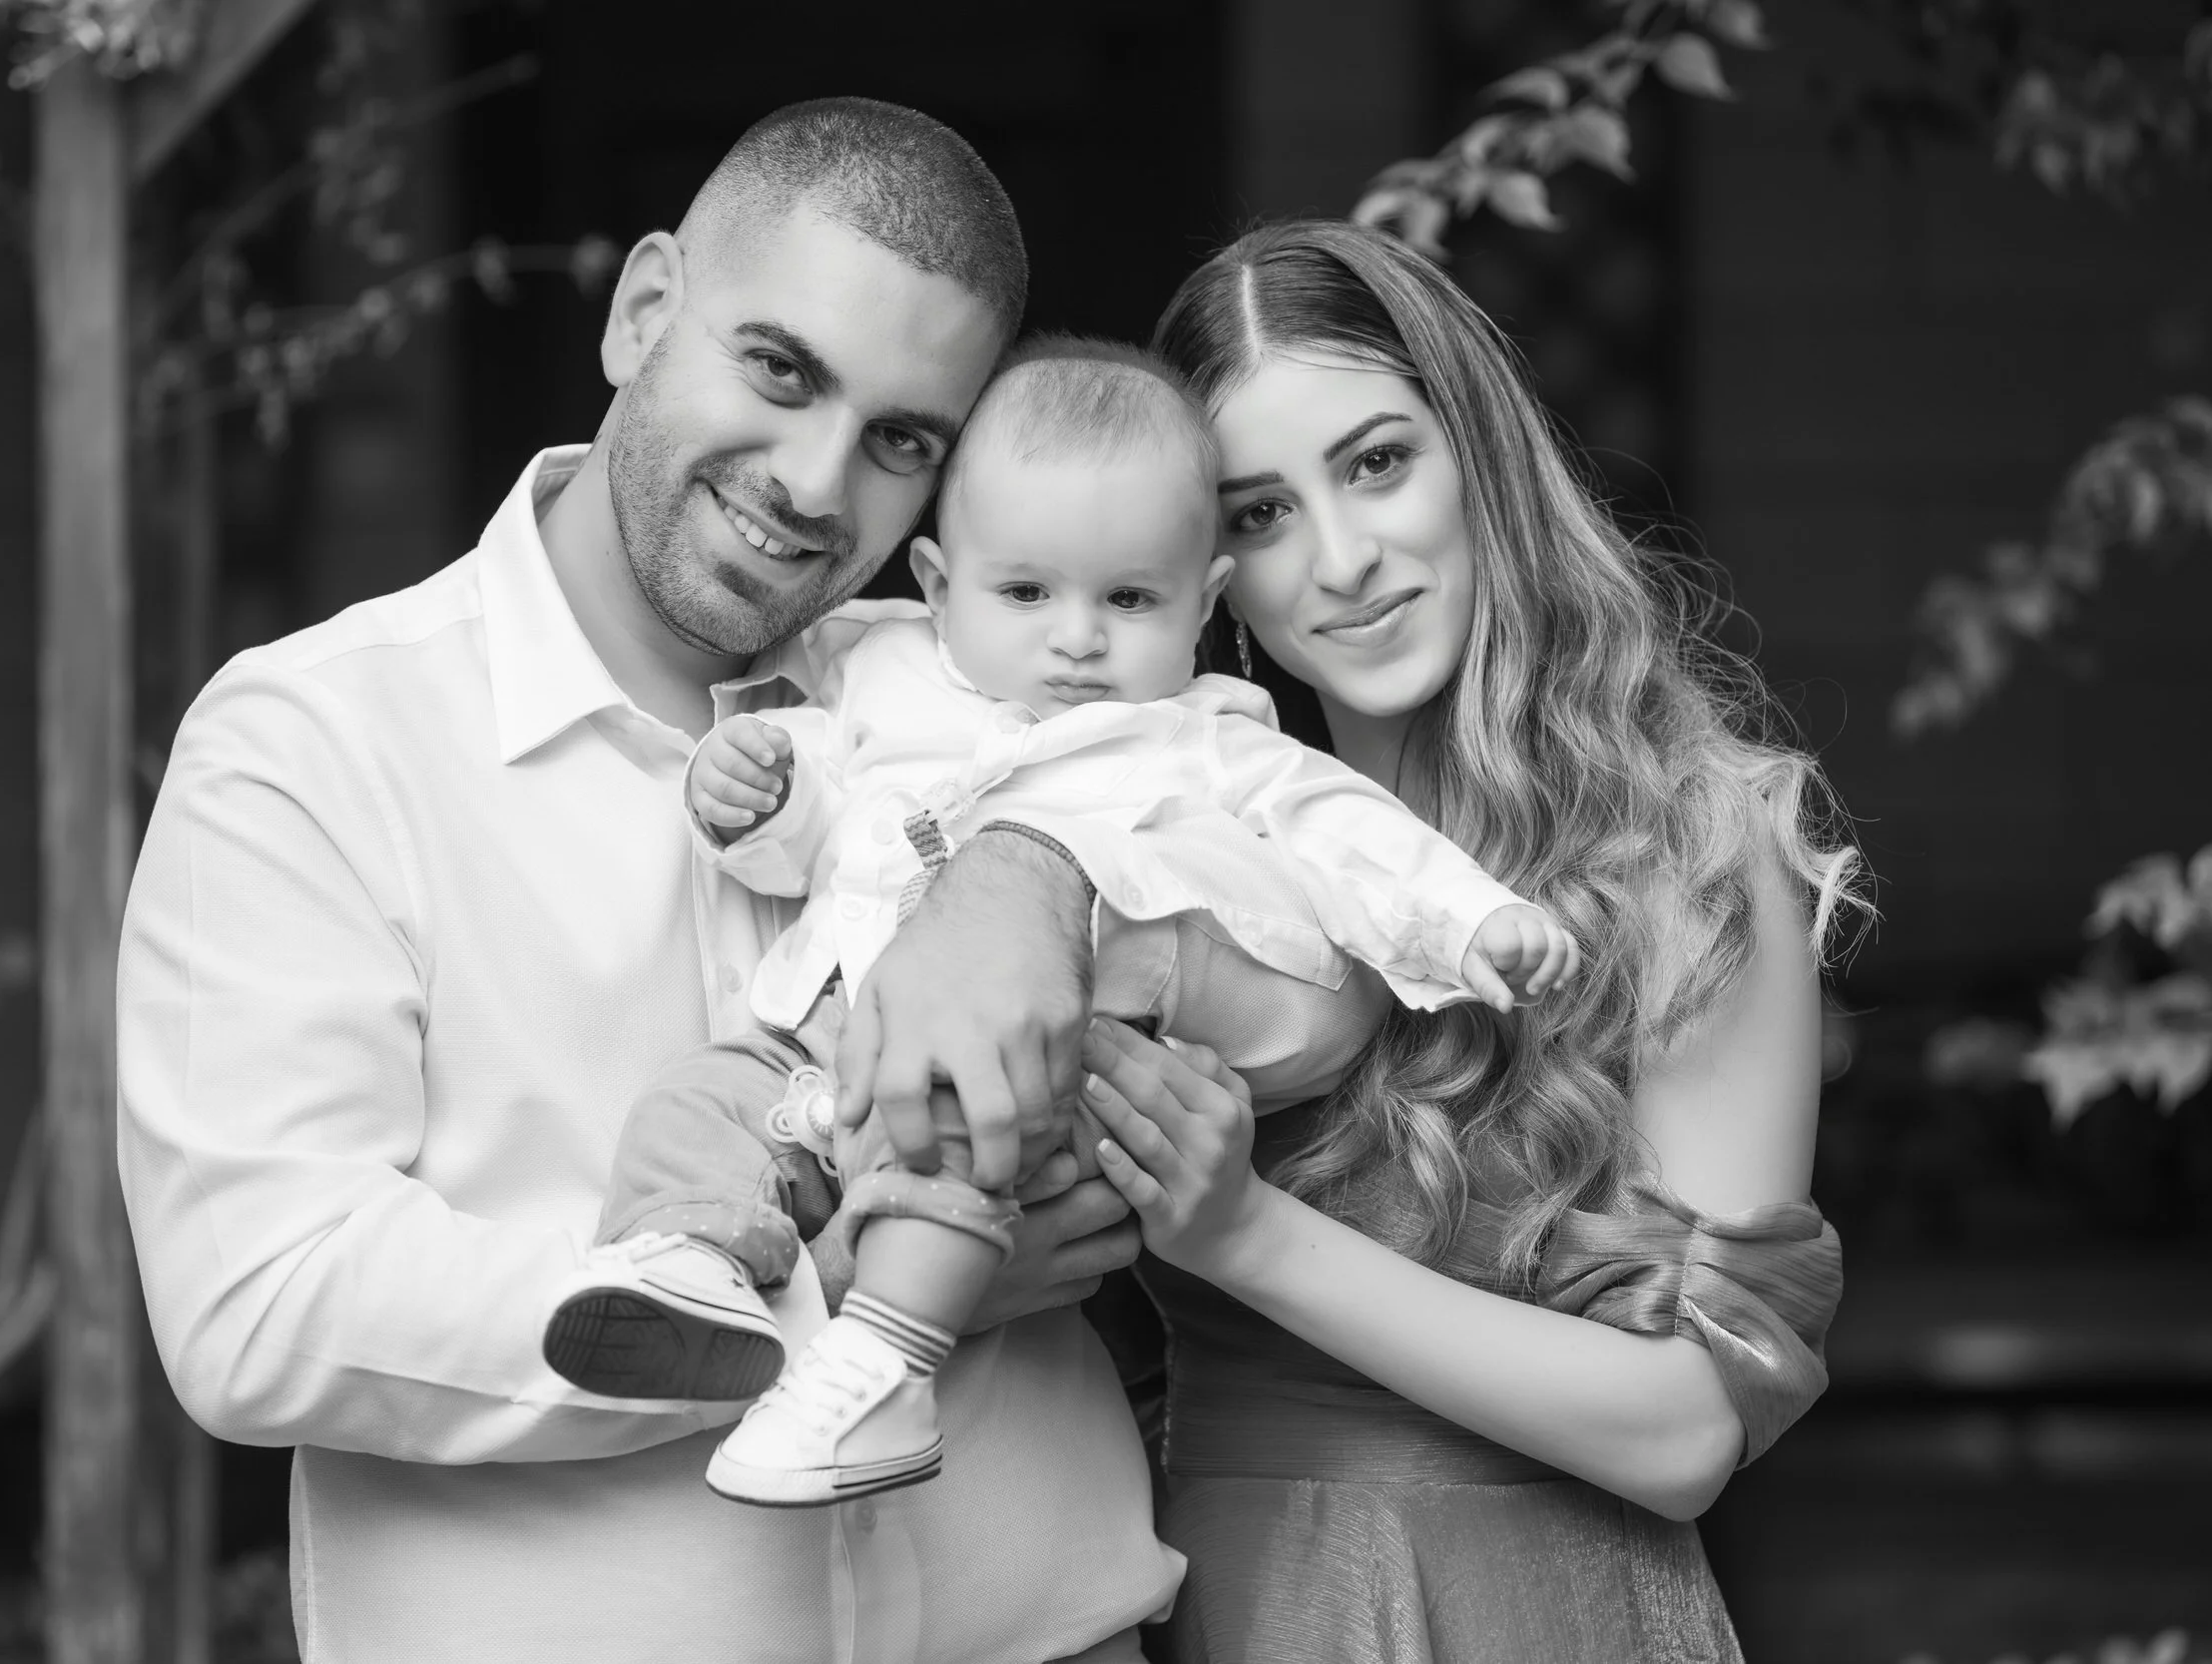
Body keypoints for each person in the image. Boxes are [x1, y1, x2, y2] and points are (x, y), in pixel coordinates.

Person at [117, 103, 1365, 1664]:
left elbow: (1331, 991)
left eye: (902, 440)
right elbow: (260, 1304)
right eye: (781, 370)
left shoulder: (1004, 686)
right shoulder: (319, 736)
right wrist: (838, 1304)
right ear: (644, 310)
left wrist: (1048, 879)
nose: (815, 482)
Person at [540, 336, 1578, 1510]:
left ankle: (883, 1364)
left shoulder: (1204, 737)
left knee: (954, 1147)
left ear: (1203, 602)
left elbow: (1342, 829)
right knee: (692, 1103)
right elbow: (817, 825)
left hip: (1022, 1069)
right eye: (1026, 592)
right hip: (817, 1036)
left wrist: (1472, 917)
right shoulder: (884, 680)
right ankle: (688, 1260)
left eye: (1128, 598)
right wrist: (757, 797)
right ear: (938, 585)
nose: (1077, 637)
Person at [1073, 220, 1865, 1662]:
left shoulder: (1685, 845)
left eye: (1377, 462)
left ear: (1477, 452)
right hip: (1209, 1596)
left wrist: (1245, 1233)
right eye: (1261, 513)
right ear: (1206, 566)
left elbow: (1691, 1426)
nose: (1343, 558)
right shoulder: (1179, 849)